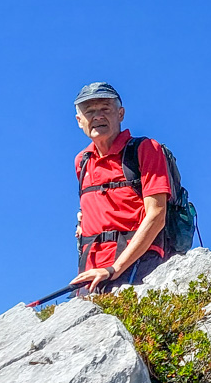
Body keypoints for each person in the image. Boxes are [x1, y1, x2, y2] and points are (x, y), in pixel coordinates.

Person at [71, 82, 171, 294]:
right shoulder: (82, 161)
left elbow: (157, 214)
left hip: (137, 265)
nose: (97, 116)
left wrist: (114, 269)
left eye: (105, 108)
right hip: (90, 271)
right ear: (79, 121)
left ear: (121, 114)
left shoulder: (145, 149)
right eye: (89, 111)